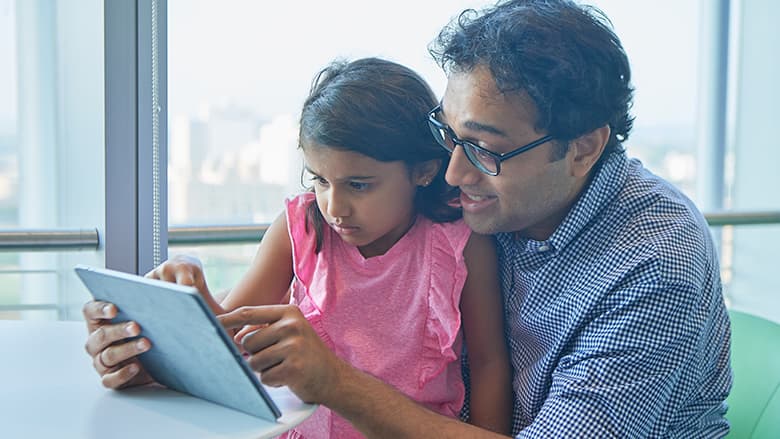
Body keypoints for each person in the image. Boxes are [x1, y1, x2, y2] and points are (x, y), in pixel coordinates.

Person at [84, 0, 733, 437]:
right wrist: (152, 353)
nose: (451, 173)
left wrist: (335, 379)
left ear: (584, 146)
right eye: (446, 136)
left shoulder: (654, 268)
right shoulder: (495, 199)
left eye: (483, 147)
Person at [84, 57, 513, 437]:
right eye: (320, 181)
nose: (335, 207)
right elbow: (228, 336)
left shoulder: (460, 244)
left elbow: (489, 363)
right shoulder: (301, 230)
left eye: (358, 185)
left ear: (422, 172)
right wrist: (185, 295)